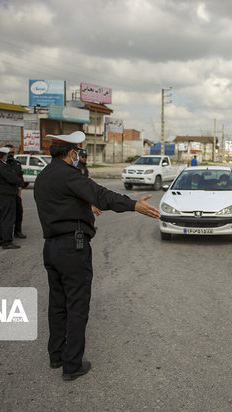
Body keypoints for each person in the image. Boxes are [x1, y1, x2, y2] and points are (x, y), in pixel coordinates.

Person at [34, 131, 160, 382]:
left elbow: (62, 203)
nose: (80, 156)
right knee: (77, 305)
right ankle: (72, 364)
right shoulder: (69, 175)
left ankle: (56, 354)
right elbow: (102, 195)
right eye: (79, 152)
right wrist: (134, 204)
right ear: (71, 153)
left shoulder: (44, 176)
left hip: (51, 247)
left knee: (58, 304)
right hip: (73, 248)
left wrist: (84, 206)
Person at [0, 147, 24, 249]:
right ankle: (7, 241)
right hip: (7, 197)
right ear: (4, 156)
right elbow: (13, 179)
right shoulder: (3, 167)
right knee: (8, 218)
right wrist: (19, 181)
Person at [4, 144, 26, 239]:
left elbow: (20, 177)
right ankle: (6, 234)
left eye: (12, 152)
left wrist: (20, 189)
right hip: (7, 194)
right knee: (8, 215)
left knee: (19, 213)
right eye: (9, 152)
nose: (11, 154)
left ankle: (18, 231)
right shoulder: (3, 165)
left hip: (16, 193)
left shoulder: (17, 164)